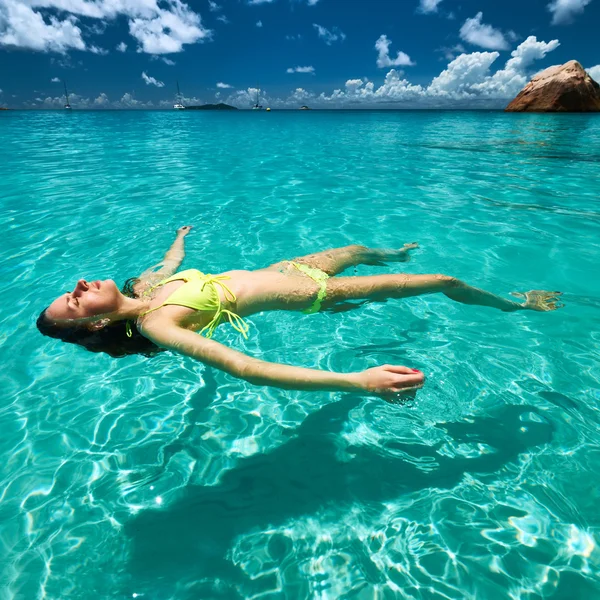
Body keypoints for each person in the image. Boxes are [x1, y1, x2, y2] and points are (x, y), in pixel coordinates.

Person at [37, 226, 563, 397]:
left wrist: (177, 239)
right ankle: (518, 307)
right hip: (312, 294)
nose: (79, 285)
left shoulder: (149, 286)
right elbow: (246, 368)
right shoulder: (158, 324)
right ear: (96, 323)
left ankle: (396, 254)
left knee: (357, 251)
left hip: (291, 266)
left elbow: (170, 261)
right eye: (75, 300)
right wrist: (356, 381)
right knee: (442, 282)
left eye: (72, 287)